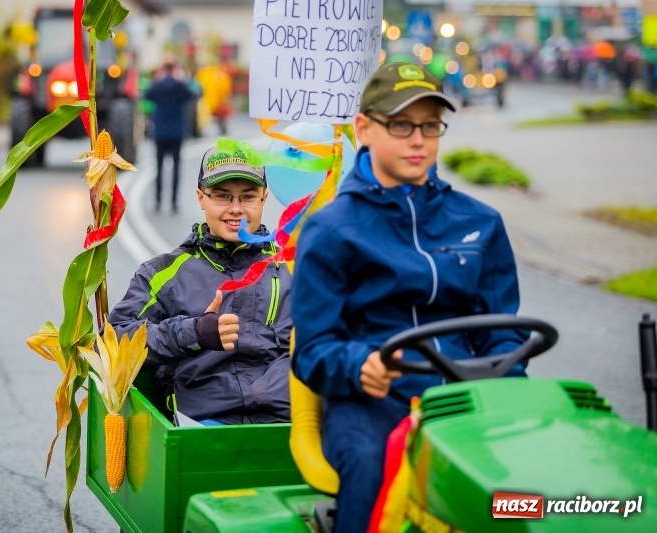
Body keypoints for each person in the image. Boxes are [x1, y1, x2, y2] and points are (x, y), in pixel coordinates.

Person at [290, 62, 528, 531]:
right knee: (370, 462)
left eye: (429, 125)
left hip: (470, 396)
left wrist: (502, 381)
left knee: (535, 476)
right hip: (376, 403)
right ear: (364, 129)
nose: (418, 140)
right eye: (400, 124)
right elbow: (313, 350)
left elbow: (506, 332)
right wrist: (359, 364)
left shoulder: (481, 222)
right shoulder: (330, 230)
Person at [107, 145, 293, 426]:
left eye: (248, 197)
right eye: (221, 196)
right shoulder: (162, 273)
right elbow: (112, 343)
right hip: (202, 426)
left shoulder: (296, 267)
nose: (235, 209)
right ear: (200, 198)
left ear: (264, 198)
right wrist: (192, 332)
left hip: (287, 424)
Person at [144, 60, 196, 213]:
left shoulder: (157, 86)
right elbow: (192, 95)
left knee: (159, 167)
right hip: (177, 132)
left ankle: (158, 201)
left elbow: (147, 95)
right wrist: (183, 78)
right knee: (176, 167)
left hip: (160, 132)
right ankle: (174, 201)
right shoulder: (181, 86)